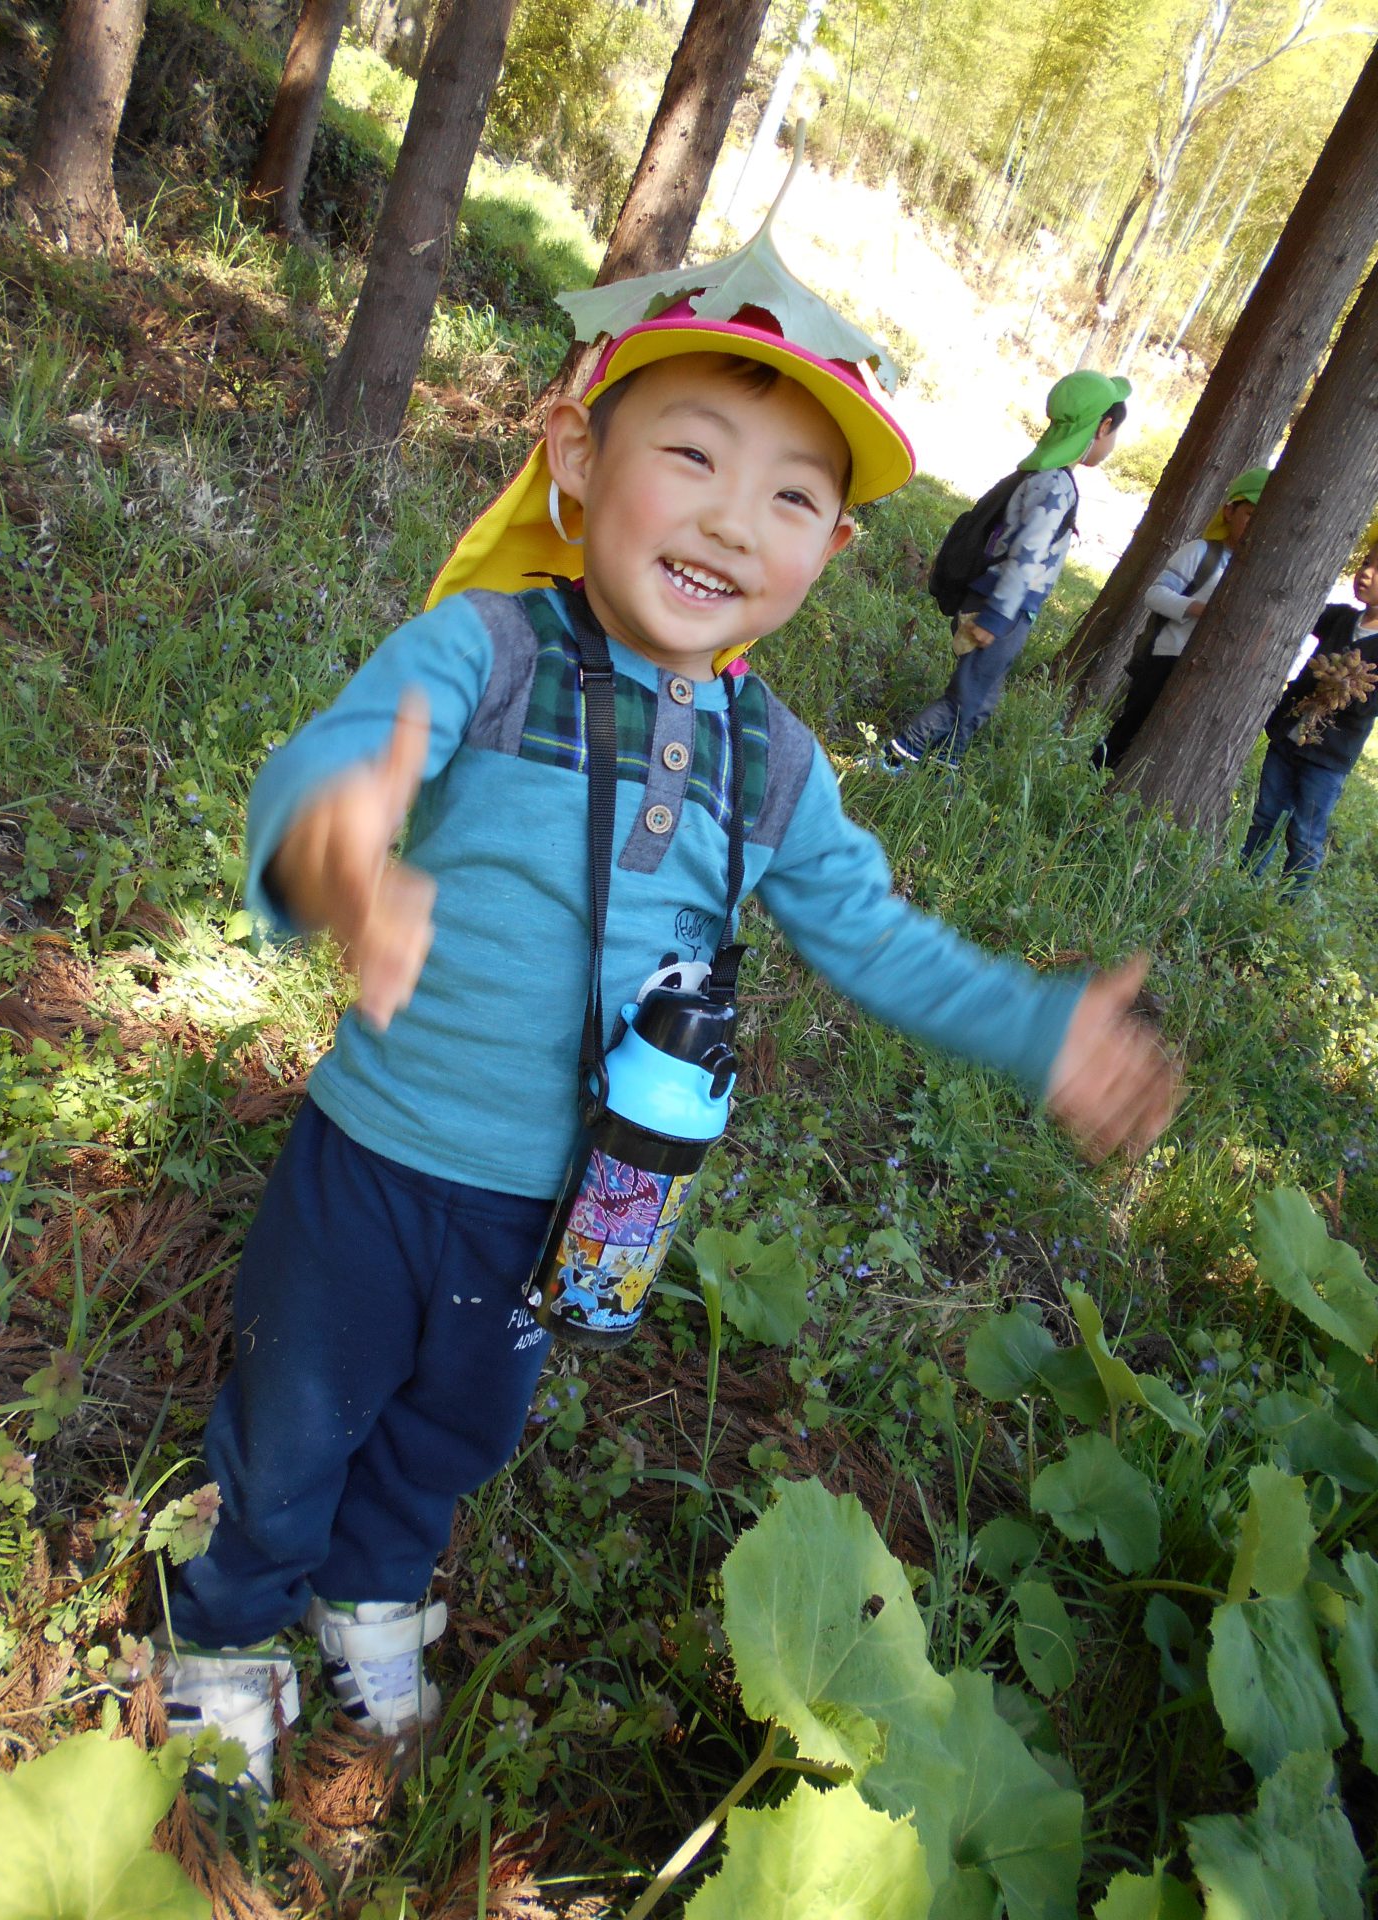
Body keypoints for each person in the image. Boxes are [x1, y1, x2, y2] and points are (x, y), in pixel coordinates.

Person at [157, 254, 1177, 1791]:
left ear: (832, 546)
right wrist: (337, 847)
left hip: (574, 1201)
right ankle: (228, 1625)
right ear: (578, 455)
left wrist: (1037, 1028)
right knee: (295, 1416)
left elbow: (871, 935)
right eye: (691, 455)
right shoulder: (485, 656)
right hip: (376, 1164)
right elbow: (335, 765)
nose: (730, 519)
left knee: (452, 1429)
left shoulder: (775, 765)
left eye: (790, 497)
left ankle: (372, 1591)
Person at [887, 370, 1129, 770]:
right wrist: (997, 617)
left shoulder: (1039, 474)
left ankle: (946, 766)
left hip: (1003, 606)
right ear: (1103, 427)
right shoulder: (1056, 485)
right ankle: (895, 756)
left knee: (981, 699)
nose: (1112, 442)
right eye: (1114, 432)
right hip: (999, 608)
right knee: (964, 699)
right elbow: (1027, 555)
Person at [1094, 467, 1271, 772]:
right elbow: (1155, 595)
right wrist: (1197, 609)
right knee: (1131, 727)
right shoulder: (1201, 552)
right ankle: (1094, 777)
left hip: (1206, 669)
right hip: (1165, 659)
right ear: (1229, 511)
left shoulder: (1258, 571)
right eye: (1249, 515)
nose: (1254, 525)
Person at [1240, 538, 1378, 886]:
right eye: (1366, 562)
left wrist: (1344, 686)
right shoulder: (1339, 618)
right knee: (1266, 817)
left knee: (1304, 835)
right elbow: (1296, 609)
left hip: (1328, 759)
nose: (1366, 573)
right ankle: (1243, 883)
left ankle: (1287, 905)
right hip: (1287, 740)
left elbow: (1369, 705)